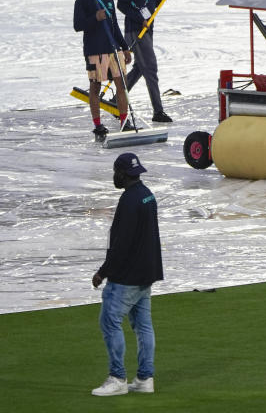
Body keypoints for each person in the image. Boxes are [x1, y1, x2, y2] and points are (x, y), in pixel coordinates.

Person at [91, 152, 164, 397]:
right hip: (147, 273)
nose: (114, 177)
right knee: (143, 326)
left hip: (127, 277)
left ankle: (117, 377)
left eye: (116, 173)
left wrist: (103, 272)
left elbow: (121, 244)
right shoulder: (147, 196)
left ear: (122, 174)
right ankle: (145, 378)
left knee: (109, 321)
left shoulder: (129, 201)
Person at [117, 0, 178, 123]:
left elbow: (151, 7)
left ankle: (116, 101)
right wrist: (138, 18)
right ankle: (158, 112)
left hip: (146, 32)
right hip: (135, 32)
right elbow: (122, 4)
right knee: (150, 68)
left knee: (140, 69)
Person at [73, 0, 133, 139]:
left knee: (121, 85)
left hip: (113, 49)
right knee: (96, 86)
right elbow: (78, 26)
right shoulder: (83, 0)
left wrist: (124, 47)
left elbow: (114, 26)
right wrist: (94, 19)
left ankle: (124, 121)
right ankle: (98, 125)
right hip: (95, 50)